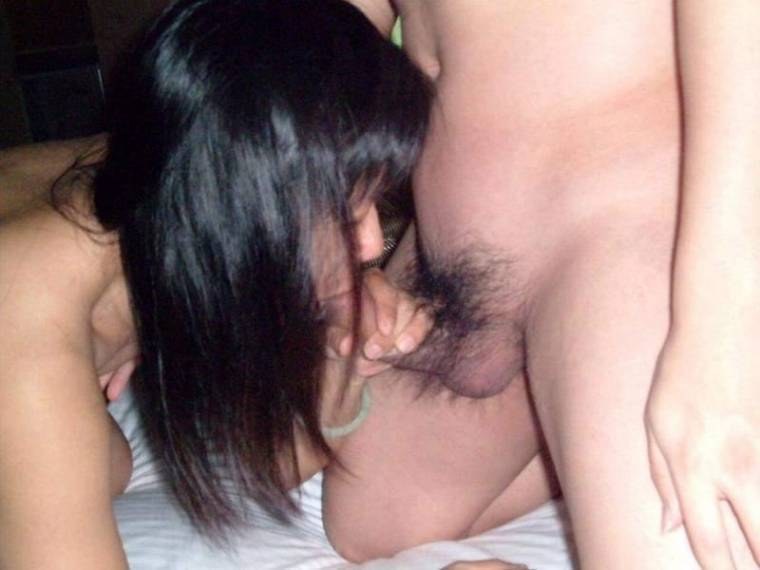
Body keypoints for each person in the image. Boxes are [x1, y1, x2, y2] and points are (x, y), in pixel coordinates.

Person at [325, 1, 760, 568]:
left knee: (695, 515)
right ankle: (574, 413)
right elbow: (335, 31)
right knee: (372, 523)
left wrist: (721, 330)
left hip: (632, 229)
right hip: (459, 268)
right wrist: (338, 255)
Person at [0, 1, 434, 567]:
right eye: (345, 211)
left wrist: (345, 360)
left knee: (108, 463)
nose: (372, 247)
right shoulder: (27, 325)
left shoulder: (185, 167)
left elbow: (271, 466)